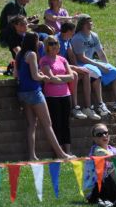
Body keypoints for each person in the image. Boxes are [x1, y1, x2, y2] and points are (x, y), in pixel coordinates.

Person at [14, 32, 72, 161]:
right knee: (47, 124)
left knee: (31, 125)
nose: (39, 43)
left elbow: (15, 75)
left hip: (22, 92)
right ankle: (61, 154)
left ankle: (32, 156)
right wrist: (44, 77)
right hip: (34, 92)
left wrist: (38, 74)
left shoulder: (19, 54)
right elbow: (35, 76)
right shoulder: (32, 54)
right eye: (37, 41)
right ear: (33, 42)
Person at [71, 14, 116, 114]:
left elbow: (100, 52)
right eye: (88, 21)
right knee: (97, 72)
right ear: (82, 24)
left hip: (92, 61)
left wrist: (107, 65)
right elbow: (81, 58)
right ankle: (100, 104)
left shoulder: (94, 35)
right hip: (82, 64)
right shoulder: (78, 38)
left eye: (91, 21)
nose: (91, 23)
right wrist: (100, 66)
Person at [39, 36, 76, 155]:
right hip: (52, 97)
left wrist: (57, 78)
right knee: (56, 123)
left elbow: (72, 76)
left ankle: (68, 151)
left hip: (66, 95)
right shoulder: (44, 60)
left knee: (66, 123)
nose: (54, 45)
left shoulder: (63, 59)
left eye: (56, 43)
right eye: (51, 43)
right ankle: (59, 152)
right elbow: (50, 78)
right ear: (47, 46)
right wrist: (59, 79)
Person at [57, 21, 101, 120]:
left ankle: (88, 108)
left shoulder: (67, 40)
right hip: (58, 69)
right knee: (75, 75)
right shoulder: (57, 41)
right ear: (67, 31)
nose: (74, 34)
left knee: (85, 73)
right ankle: (74, 107)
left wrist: (78, 67)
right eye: (72, 32)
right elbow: (58, 62)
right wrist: (75, 68)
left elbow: (71, 55)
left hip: (66, 67)